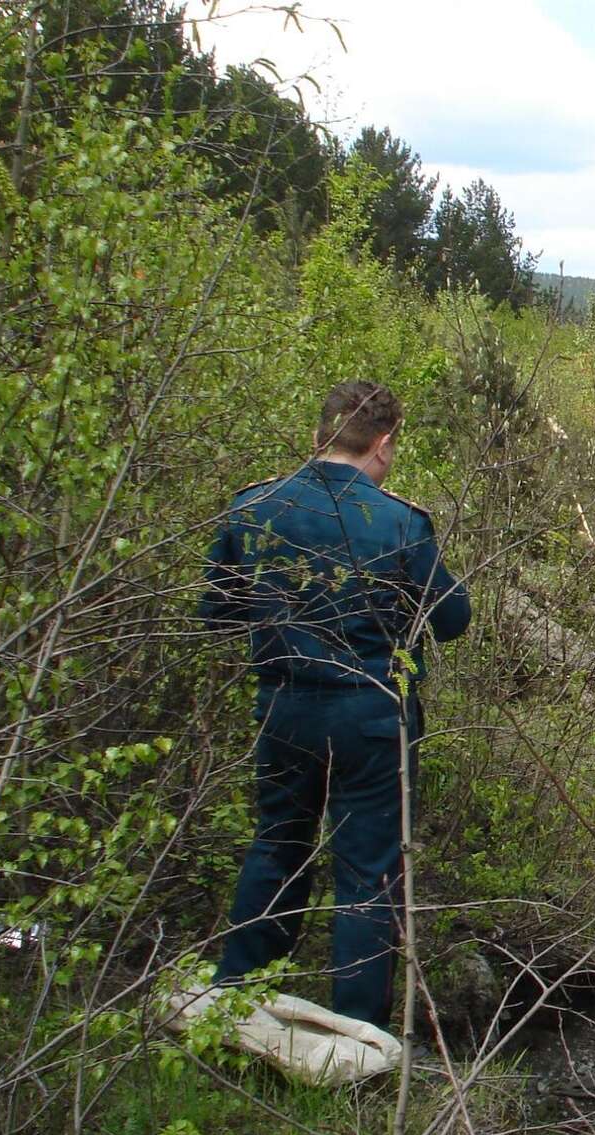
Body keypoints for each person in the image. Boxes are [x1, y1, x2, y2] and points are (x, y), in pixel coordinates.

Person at [200, 380, 471, 1029]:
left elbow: (216, 614)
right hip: (371, 714)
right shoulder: (399, 522)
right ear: (381, 444)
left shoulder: (255, 507)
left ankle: (235, 999)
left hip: (285, 705)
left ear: (319, 434)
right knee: (367, 869)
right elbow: (454, 617)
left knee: (277, 844)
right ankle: (356, 1027)